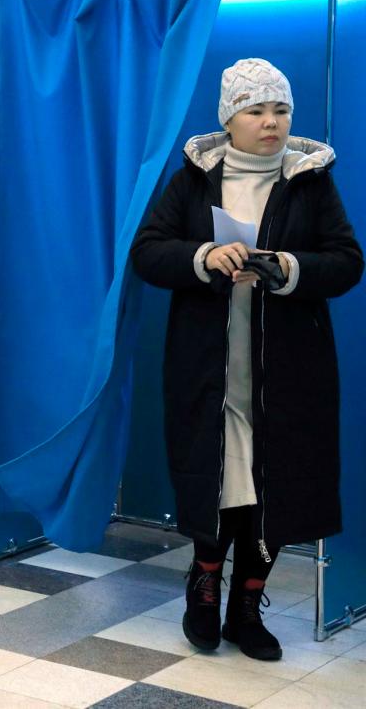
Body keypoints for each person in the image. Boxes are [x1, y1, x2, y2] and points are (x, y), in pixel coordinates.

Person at [131, 58, 363, 662]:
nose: (270, 122)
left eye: (280, 109)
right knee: (221, 484)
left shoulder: (311, 181)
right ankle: (204, 589)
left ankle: (246, 607)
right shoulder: (193, 179)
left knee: (272, 489)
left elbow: (347, 262)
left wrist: (289, 267)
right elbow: (148, 253)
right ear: (229, 119)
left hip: (288, 373)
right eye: (256, 110)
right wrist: (205, 257)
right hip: (209, 369)